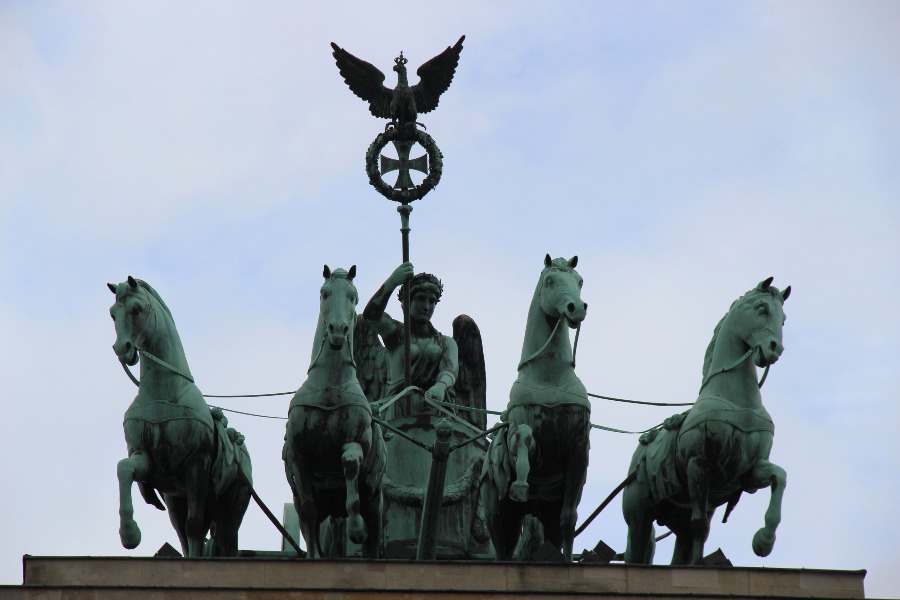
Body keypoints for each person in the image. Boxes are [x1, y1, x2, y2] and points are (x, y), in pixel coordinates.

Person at [363, 262, 458, 416]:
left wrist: (441, 386)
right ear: (406, 302)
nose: (426, 306)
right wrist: (393, 281)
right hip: (398, 410)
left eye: (432, 301)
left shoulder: (445, 342)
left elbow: (450, 369)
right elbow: (371, 316)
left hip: (433, 411)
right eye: (421, 299)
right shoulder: (396, 333)